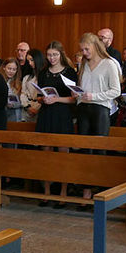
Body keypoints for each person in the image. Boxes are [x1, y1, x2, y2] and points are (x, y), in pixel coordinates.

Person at [76, 32, 121, 204]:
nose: (84, 52)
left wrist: (93, 96)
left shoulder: (109, 64)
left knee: (100, 149)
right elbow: (82, 86)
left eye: (87, 49)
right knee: (84, 150)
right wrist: (78, 92)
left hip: (101, 109)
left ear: (95, 46)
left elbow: (116, 91)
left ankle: (102, 193)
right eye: (82, 50)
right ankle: (86, 191)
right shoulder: (83, 64)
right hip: (83, 109)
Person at [35, 41, 78, 206]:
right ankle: (46, 192)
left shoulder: (69, 72)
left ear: (61, 54)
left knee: (62, 155)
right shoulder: (44, 72)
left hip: (62, 114)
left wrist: (56, 99)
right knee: (46, 155)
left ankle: (63, 193)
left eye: (55, 54)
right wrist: (43, 98)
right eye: (49, 55)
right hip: (46, 114)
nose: (52, 58)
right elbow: (39, 94)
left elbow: (74, 98)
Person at [1, 58, 23, 122]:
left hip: (15, 114)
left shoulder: (19, 83)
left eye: (14, 69)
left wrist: (14, 104)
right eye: (9, 69)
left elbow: (22, 100)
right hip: (2, 112)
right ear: (4, 67)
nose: (11, 71)